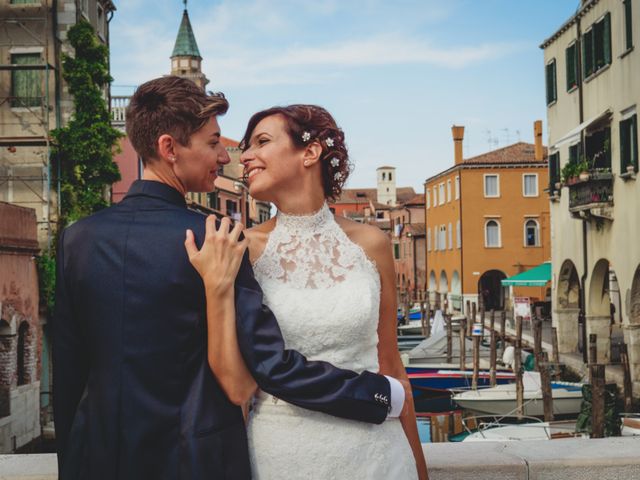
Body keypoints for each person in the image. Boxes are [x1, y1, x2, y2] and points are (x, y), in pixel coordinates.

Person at [52, 77, 410, 480]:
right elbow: (260, 372)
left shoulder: (75, 239)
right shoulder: (217, 238)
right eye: (212, 143)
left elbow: (67, 376)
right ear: (170, 148)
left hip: (95, 460)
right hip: (197, 461)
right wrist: (386, 395)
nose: (226, 157)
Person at [186, 105, 428, 479]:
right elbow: (236, 384)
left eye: (262, 142)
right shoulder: (241, 249)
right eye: (246, 147)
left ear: (310, 153)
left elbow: (391, 365)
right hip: (281, 456)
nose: (246, 157)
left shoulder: (372, 244)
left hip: (378, 455)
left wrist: (419, 468)